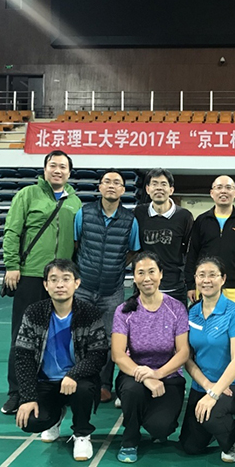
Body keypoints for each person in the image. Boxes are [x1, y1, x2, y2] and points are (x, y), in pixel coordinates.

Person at [2, 150, 82, 415]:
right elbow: (12, 231)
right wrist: (12, 265)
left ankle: (48, 387)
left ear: (69, 172)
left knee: (58, 336)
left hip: (62, 281)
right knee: (23, 336)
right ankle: (17, 392)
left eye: (63, 166)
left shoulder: (75, 203)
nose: (58, 170)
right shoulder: (28, 195)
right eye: (53, 165)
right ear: (45, 169)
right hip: (31, 275)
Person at [14, 259, 107, 462]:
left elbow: (98, 354)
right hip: (45, 382)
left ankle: (82, 434)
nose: (60, 285)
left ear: (77, 283)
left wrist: (73, 374)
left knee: (83, 389)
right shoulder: (34, 313)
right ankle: (55, 417)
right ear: (46, 285)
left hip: (77, 381)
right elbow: (23, 357)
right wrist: (28, 397)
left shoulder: (89, 313)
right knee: (30, 422)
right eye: (54, 280)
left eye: (66, 279)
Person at [111, 252, 190, 463]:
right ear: (134, 277)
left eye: (152, 272)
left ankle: (147, 417)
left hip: (169, 377)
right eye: (141, 273)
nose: (147, 278)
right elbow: (118, 354)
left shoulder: (176, 308)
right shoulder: (124, 311)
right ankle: (130, 439)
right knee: (132, 391)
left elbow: (183, 352)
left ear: (161, 274)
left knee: (161, 427)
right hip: (134, 375)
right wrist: (146, 377)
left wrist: (157, 374)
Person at [74, 169, 141, 403]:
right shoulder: (84, 213)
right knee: (79, 337)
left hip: (112, 291)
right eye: (107, 181)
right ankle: (80, 379)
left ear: (123, 190)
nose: (111, 186)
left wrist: (115, 266)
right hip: (83, 287)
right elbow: (76, 243)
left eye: (117, 183)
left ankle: (104, 385)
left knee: (111, 340)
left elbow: (133, 250)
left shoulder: (130, 220)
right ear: (100, 187)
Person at [180, 256, 235, 463]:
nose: (206, 280)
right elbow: (188, 359)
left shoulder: (234, 313)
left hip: (233, 385)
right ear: (195, 278)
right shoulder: (192, 313)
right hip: (204, 384)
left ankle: (232, 436)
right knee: (190, 446)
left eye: (212, 275)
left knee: (212, 415)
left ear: (223, 279)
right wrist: (207, 386)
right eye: (201, 275)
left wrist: (214, 392)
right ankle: (213, 429)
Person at [186, 175, 235, 309]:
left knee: (234, 322)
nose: (223, 191)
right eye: (219, 187)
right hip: (206, 286)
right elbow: (192, 255)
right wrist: (191, 285)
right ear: (212, 193)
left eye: (228, 188)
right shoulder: (201, 221)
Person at [134, 168, 194, 306]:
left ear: (171, 190)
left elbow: (190, 251)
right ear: (148, 189)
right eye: (154, 184)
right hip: (145, 286)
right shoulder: (139, 213)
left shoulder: (184, 216)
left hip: (175, 287)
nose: (159, 188)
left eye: (163, 184)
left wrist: (190, 282)